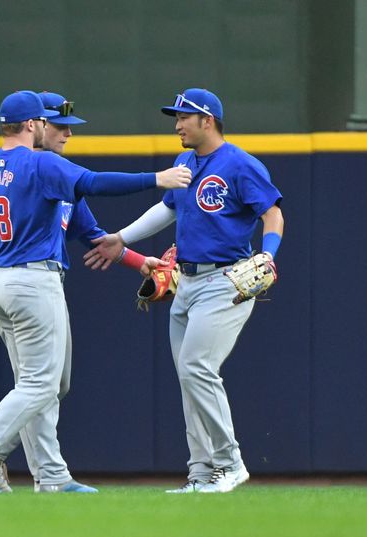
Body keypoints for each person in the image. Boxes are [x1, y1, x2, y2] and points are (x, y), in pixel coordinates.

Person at [0, 90, 190, 494]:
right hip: (32, 282)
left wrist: (140, 262)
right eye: (59, 125)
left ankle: (50, 476)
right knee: (39, 384)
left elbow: (91, 234)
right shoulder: (42, 166)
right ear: (36, 124)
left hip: (8, 284)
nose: (66, 133)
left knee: (49, 385)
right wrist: (158, 179)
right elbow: (96, 183)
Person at [83, 88, 284, 493]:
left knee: (197, 368)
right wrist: (121, 237)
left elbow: (273, 212)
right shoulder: (184, 162)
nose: (176, 125)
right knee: (190, 379)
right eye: (175, 118)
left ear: (207, 120)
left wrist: (269, 254)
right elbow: (168, 208)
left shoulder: (240, 164)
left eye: (183, 118)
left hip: (225, 282)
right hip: (186, 281)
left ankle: (230, 464)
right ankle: (202, 472)